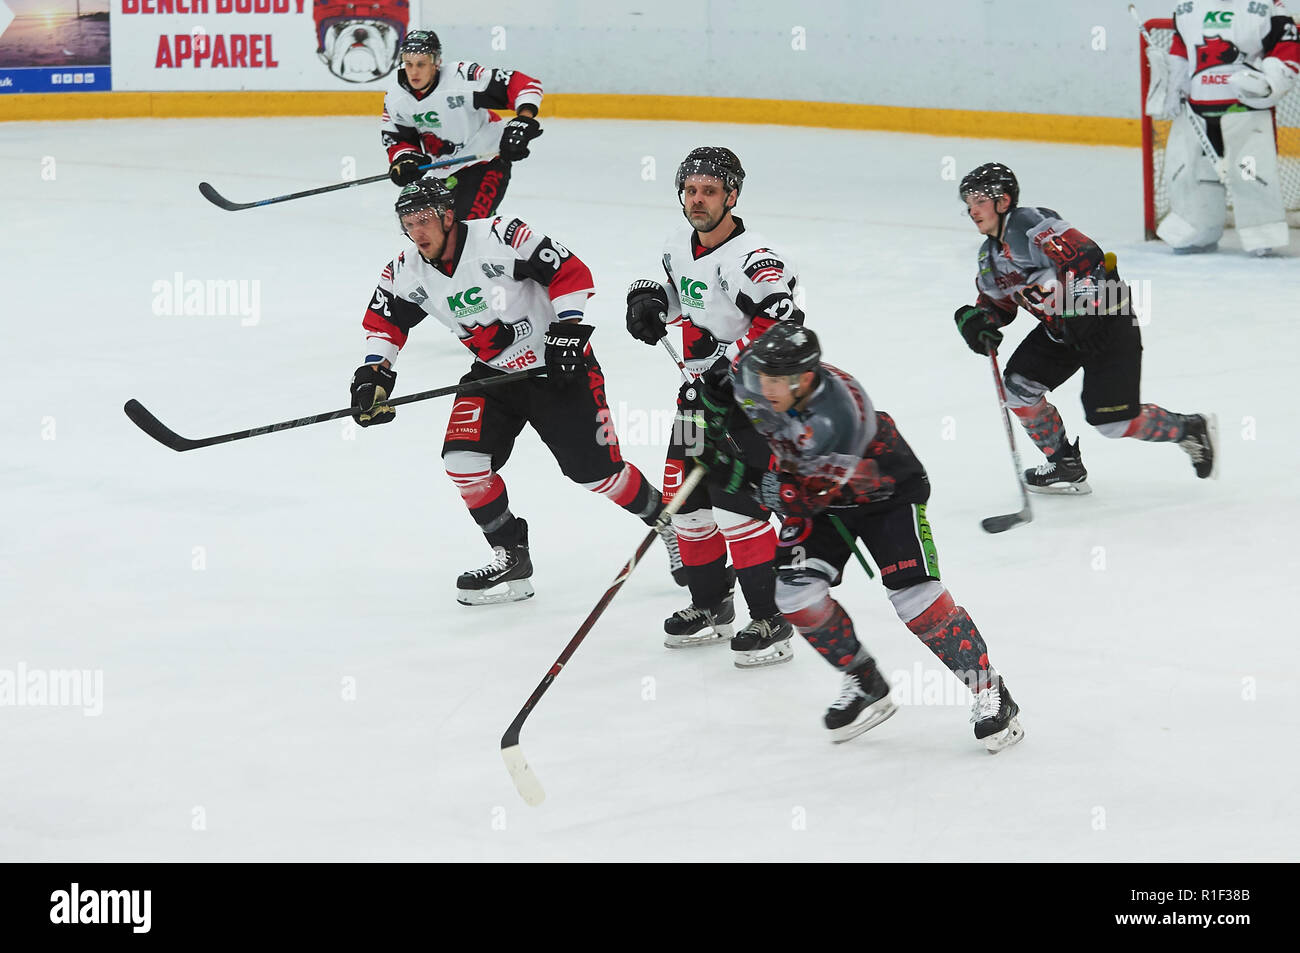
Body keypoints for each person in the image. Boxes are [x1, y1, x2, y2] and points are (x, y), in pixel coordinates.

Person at [692, 323, 1024, 751]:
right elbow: (710, 408)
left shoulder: (839, 415)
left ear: (806, 378)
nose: (766, 390)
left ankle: (990, 691)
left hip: (885, 491)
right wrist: (710, 409)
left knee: (915, 597)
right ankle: (864, 679)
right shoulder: (753, 376)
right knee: (795, 595)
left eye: (778, 382)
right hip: (815, 493)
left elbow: (803, 499)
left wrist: (734, 473)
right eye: (763, 379)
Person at [349, 180, 679, 604]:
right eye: (409, 225)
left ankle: (669, 524)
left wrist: (569, 331)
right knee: (463, 463)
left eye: (426, 221)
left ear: (449, 215)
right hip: (493, 377)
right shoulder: (404, 270)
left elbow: (571, 272)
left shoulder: (501, 236)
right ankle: (511, 555)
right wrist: (373, 374)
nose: (419, 233)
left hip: (558, 372)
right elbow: (384, 324)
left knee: (597, 474)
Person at [624, 147, 800, 669]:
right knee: (687, 505)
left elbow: (784, 326)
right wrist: (647, 303)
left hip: (753, 405)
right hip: (701, 400)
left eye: (710, 191)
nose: (697, 200)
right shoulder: (680, 243)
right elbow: (670, 289)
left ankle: (771, 619)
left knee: (736, 508)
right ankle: (710, 606)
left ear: (732, 196)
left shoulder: (756, 259)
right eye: (690, 190)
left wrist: (733, 369)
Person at [953, 163, 1218, 493]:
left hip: (1107, 322)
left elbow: (1085, 256)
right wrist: (979, 321)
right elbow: (998, 304)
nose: (972, 209)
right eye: (968, 202)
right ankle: (1064, 464)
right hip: (1061, 330)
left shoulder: (1030, 224)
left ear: (1003, 201)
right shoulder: (989, 257)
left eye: (979, 200)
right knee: (1017, 389)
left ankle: (1189, 429)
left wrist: (1081, 303)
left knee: (1115, 423)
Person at [1145, 0, 1299, 254]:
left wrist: (1270, 81)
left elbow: (1286, 46)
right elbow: (1181, 49)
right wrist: (1173, 84)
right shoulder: (1188, 7)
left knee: (1251, 174)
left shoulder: (1266, 6)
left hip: (1246, 111)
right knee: (1191, 172)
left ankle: (1261, 235)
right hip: (1197, 110)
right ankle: (1197, 229)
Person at [381, 30, 545, 220]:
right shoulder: (396, 96)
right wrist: (405, 159)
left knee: (468, 227)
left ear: (436, 62)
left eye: (421, 64)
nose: (414, 72)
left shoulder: (462, 77)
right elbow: (398, 137)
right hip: (441, 170)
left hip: (486, 161)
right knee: (433, 230)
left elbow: (524, 85)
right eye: (408, 64)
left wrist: (523, 121)